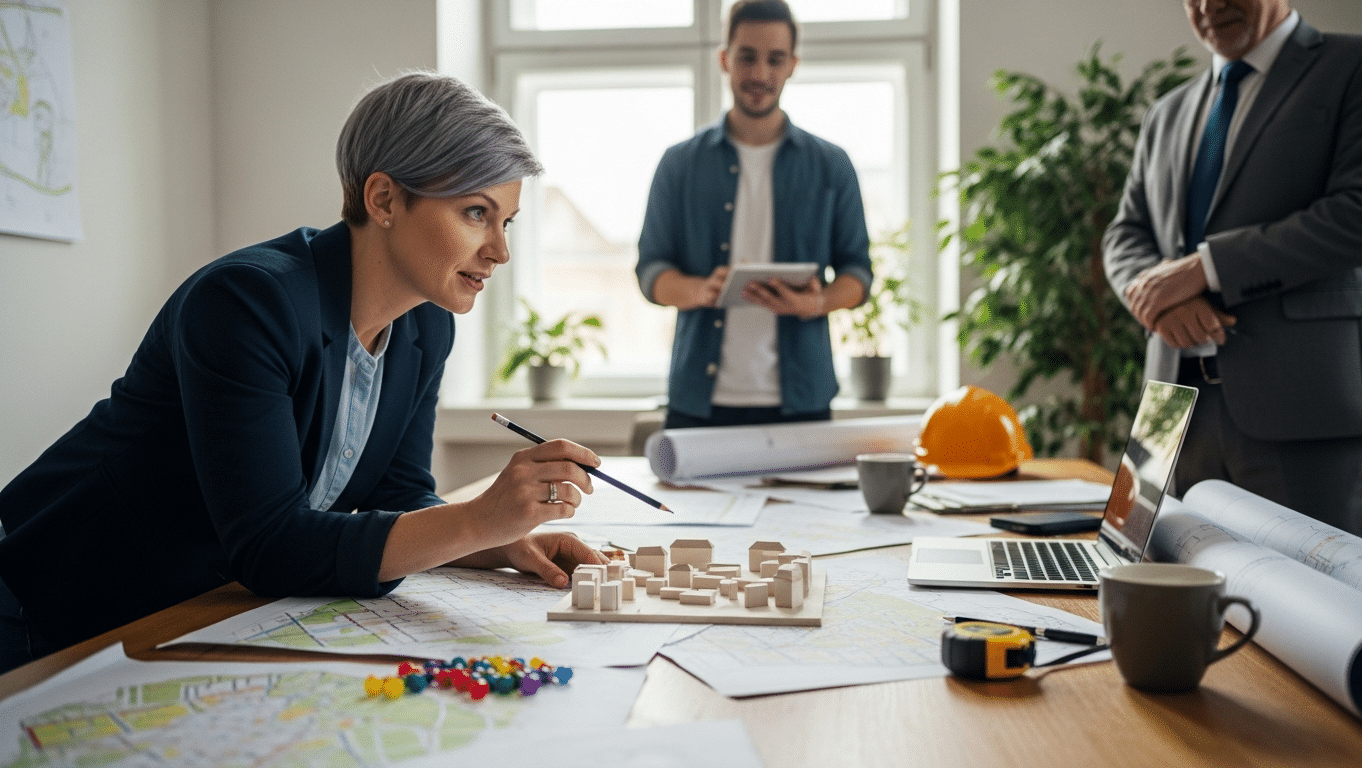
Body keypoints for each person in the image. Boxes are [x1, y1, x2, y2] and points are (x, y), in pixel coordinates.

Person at [0, 72, 608, 673]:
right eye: (476, 212)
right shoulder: (245, 301)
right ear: (384, 199)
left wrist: (496, 543)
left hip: (180, 614)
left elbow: (396, 494)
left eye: (508, 222)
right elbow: (269, 546)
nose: (499, 249)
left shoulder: (426, 326)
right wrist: (476, 518)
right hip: (50, 604)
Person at [1103, 0, 1362, 542]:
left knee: (1323, 613)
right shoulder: (1167, 112)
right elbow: (1125, 234)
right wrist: (1161, 299)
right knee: (1163, 604)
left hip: (1308, 406)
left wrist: (1205, 268)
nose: (1209, 5)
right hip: (1170, 408)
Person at [636, 0, 872, 430]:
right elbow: (651, 271)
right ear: (725, 59)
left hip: (803, 402)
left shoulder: (832, 165)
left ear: (793, 65)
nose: (760, 74)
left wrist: (817, 302)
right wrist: (699, 290)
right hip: (698, 403)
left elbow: (858, 273)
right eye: (747, 57)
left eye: (775, 59)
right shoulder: (678, 164)